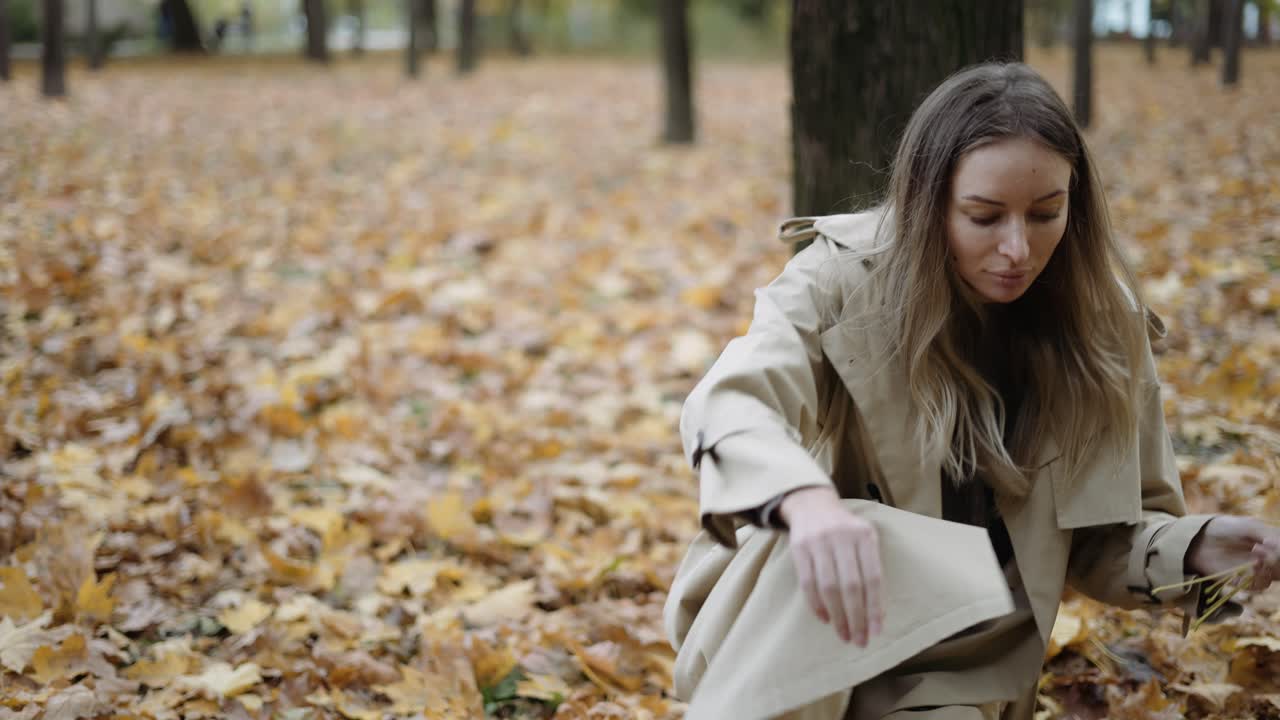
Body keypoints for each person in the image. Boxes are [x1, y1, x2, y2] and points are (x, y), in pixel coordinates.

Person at [662, 62, 1280, 720]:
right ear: (929, 203)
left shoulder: (1104, 323)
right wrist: (807, 503)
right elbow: (731, 402)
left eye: (1046, 213)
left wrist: (1198, 550)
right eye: (984, 217)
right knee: (851, 531)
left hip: (957, 670)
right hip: (811, 637)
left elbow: (1103, 540)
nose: (1018, 248)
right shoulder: (839, 281)